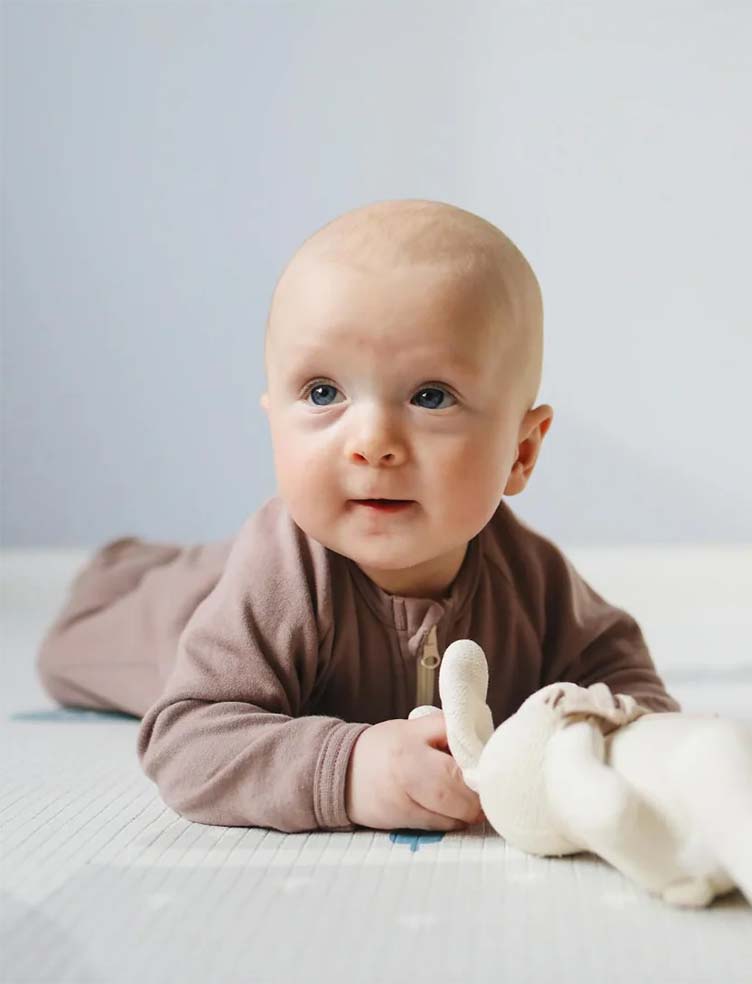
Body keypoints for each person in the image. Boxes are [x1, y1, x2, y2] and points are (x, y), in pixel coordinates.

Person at [36, 199, 679, 835]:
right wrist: (348, 770)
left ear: (521, 450)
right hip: (160, 613)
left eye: (431, 396)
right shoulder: (284, 575)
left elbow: (622, 673)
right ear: (274, 424)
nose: (371, 440)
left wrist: (607, 742)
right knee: (74, 649)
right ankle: (122, 567)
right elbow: (186, 742)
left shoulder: (529, 578)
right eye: (323, 393)